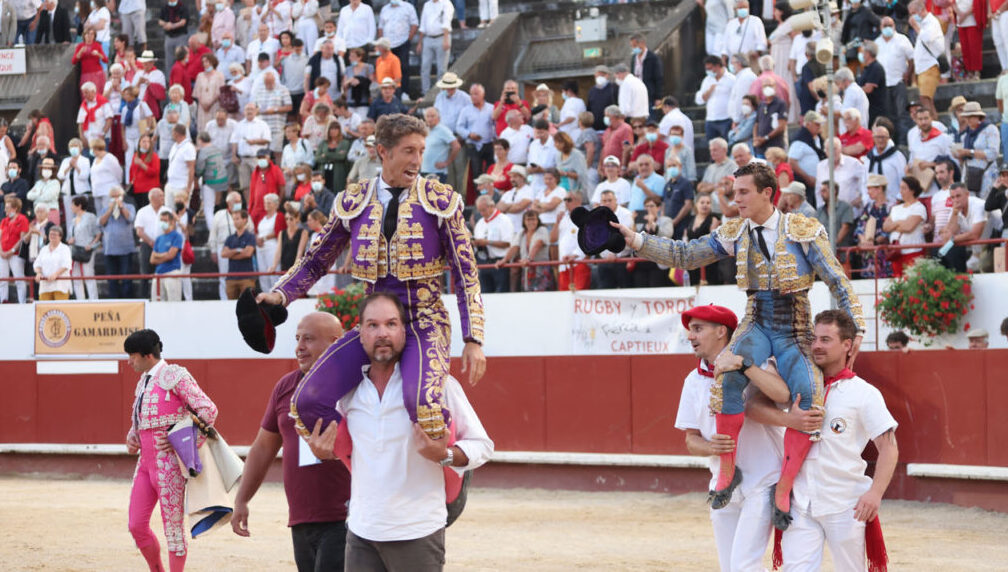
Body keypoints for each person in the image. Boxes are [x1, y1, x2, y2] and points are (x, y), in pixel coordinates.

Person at [612, 161, 866, 530]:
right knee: (728, 376)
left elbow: (837, 280)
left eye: (743, 192)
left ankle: (784, 487)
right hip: (757, 321)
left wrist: (856, 327)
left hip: (795, 326)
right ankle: (727, 472)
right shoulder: (734, 231)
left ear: (768, 193)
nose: (736, 199)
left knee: (810, 398)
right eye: (734, 192)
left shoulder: (803, 230)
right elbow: (684, 255)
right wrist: (634, 239)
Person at [259, 113, 487, 445]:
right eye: (409, 151)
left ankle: (449, 467)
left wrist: (473, 338)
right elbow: (315, 261)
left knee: (424, 406)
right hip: (372, 326)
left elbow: (467, 274)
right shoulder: (354, 201)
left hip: (424, 322)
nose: (417, 160)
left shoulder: (440, 201)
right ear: (383, 151)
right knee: (306, 402)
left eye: (421, 151)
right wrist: (279, 295)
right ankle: (359, 459)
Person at [306, 293, 492, 571]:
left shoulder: (437, 387)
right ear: (360, 335)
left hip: (417, 532)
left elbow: (483, 445)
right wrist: (322, 452)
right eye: (372, 325)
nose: (382, 333)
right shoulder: (348, 393)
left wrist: (445, 455)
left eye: (391, 324)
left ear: (404, 331)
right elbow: (343, 449)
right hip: (361, 531)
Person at [748, 310, 898, 572]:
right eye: (814, 339)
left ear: (847, 345)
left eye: (826, 339)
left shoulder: (863, 393)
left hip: (845, 503)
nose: (816, 345)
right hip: (800, 501)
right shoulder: (795, 385)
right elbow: (752, 408)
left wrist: (875, 493)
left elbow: (889, 447)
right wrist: (789, 420)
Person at [675, 304, 796, 572]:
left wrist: (744, 365)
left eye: (698, 329)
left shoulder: (756, 364)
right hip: (721, 484)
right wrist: (710, 447)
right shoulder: (693, 381)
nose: (691, 336)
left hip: (762, 480)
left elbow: (782, 394)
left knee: (744, 565)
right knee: (730, 567)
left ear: (721, 332)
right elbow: (691, 439)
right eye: (690, 330)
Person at [231, 312, 351, 571]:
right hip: (301, 518)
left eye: (308, 339)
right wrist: (242, 499)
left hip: (347, 517)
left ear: (335, 343)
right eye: (297, 339)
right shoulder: (286, 386)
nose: (299, 347)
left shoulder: (354, 385)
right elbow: (263, 447)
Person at [124, 329, 218, 572]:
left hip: (169, 465)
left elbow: (208, 409)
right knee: (136, 525)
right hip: (145, 465)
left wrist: (184, 437)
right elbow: (143, 423)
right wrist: (133, 435)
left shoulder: (175, 375)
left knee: (173, 531)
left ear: (147, 355)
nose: (129, 361)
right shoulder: (143, 381)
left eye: (132, 355)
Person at [496, 210, 554, 292]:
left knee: (542, 294)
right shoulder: (522, 232)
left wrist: (529, 259)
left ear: (538, 220)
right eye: (528, 219)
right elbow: (514, 247)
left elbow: (538, 244)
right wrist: (504, 260)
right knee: (527, 294)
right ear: (524, 221)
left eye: (533, 219)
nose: (531, 222)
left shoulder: (542, 230)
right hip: (527, 270)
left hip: (540, 269)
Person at [882, 176, 927, 276]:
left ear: (912, 190)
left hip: (913, 251)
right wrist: (901, 223)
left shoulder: (919, 207)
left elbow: (908, 227)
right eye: (900, 188)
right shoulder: (895, 208)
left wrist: (895, 224)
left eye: (904, 188)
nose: (901, 191)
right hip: (896, 253)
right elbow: (885, 227)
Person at [937, 184, 987, 272]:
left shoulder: (978, 205)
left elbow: (975, 235)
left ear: (967, 194)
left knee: (983, 267)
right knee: (953, 269)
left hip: (994, 247)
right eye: (952, 197)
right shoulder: (955, 209)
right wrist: (954, 214)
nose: (956, 200)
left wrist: (952, 239)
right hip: (977, 253)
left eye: (958, 196)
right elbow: (947, 235)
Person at [908, 0, 944, 119]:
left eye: (913, 13)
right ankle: (933, 121)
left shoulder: (931, 21)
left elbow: (927, 38)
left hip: (929, 66)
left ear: (922, 10)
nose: (912, 16)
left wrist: (915, 26)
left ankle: (931, 122)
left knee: (925, 98)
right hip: (922, 67)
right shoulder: (923, 23)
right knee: (927, 99)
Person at [472, 195, 513, 293]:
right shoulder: (480, 223)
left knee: (501, 293)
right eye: (479, 211)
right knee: (485, 294)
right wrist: (475, 243)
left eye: (483, 210)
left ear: (492, 206)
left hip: (500, 262)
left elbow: (508, 243)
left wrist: (488, 242)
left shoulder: (504, 220)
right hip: (483, 261)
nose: (482, 213)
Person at [378, 0, 418, 98]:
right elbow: (381, 27)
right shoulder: (384, 9)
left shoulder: (408, 7)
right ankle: (388, 93)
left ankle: (404, 92)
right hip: (387, 45)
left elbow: (414, 24)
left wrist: (408, 39)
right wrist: (381, 42)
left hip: (402, 42)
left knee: (403, 68)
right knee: (387, 69)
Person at [907, 107, 952, 192]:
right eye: (920, 119)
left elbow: (952, 162)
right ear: (916, 120)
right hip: (919, 188)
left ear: (931, 118)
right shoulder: (913, 139)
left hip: (938, 187)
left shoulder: (943, 138)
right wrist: (909, 167)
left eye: (926, 118)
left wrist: (931, 164)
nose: (923, 122)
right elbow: (912, 159)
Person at [596, 189, 634, 289]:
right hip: (604, 261)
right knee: (604, 292)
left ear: (616, 200)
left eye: (610, 200)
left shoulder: (626, 214)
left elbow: (626, 236)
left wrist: (614, 253)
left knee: (626, 291)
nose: (607, 203)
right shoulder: (596, 217)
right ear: (600, 202)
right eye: (604, 201)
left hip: (622, 260)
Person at [682, 193, 722, 285]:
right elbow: (685, 237)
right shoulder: (690, 219)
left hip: (708, 261)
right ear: (696, 204)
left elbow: (713, 240)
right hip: (693, 260)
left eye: (708, 203)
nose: (705, 205)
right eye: (702, 202)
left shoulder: (713, 219)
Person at [67, 195, 101, 300]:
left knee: (88, 274)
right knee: (76, 276)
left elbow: (98, 233)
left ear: (79, 206)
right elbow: (69, 237)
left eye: (73, 205)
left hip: (87, 249)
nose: (71, 207)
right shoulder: (73, 220)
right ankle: (80, 300)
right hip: (75, 250)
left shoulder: (90, 217)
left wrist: (91, 245)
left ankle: (93, 300)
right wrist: (70, 240)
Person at [696, 56, 736, 143]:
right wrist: (710, 90)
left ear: (717, 66)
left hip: (726, 119)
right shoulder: (707, 80)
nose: (708, 71)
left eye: (710, 68)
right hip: (710, 119)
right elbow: (699, 100)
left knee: (727, 145)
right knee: (712, 146)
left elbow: (736, 99)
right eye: (707, 69)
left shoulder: (732, 79)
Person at [863, 124, 905, 205]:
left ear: (888, 138)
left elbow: (903, 177)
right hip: (873, 204)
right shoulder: (868, 158)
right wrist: (866, 199)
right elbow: (864, 181)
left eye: (883, 137)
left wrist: (899, 198)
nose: (880, 140)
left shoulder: (897, 156)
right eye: (878, 137)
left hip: (893, 201)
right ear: (873, 138)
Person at [222, 208, 257, 299]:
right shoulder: (230, 238)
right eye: (234, 219)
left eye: (237, 219)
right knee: (230, 304)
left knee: (249, 302)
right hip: (231, 278)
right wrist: (237, 250)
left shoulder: (250, 236)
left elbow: (248, 253)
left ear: (245, 220)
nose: (235, 221)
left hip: (246, 277)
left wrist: (231, 254)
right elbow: (223, 254)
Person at [150, 208, 184, 302]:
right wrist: (164, 255)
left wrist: (158, 255)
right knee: (156, 303)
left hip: (172, 273)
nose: (162, 223)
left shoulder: (177, 236)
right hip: (158, 274)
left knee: (174, 303)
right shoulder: (159, 239)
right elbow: (152, 260)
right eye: (161, 220)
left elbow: (171, 256)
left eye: (165, 220)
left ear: (172, 222)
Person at [815, 182, 855, 259]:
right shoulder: (819, 211)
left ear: (834, 191)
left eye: (824, 191)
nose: (821, 194)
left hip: (841, 254)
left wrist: (831, 246)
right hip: (823, 255)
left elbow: (845, 227)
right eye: (821, 191)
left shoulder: (845, 207)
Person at [421, 107, 460, 184]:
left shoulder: (443, 130)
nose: (430, 119)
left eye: (432, 116)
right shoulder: (425, 130)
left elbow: (456, 146)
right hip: (424, 170)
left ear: (438, 118)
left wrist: (447, 162)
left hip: (437, 172)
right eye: (427, 116)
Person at [0, 196, 28, 303]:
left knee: (19, 278)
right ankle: (3, 300)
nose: (5, 210)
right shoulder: (4, 221)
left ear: (15, 208)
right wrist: (1, 251)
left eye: (7, 208)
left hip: (15, 254)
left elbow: (22, 239)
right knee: (2, 279)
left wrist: (11, 251)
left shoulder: (22, 219)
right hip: (2, 254)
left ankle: (22, 302)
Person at [34, 224, 72, 299]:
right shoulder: (44, 249)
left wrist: (55, 274)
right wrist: (39, 273)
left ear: (60, 237)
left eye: (55, 234)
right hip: (45, 286)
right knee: (44, 306)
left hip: (60, 286)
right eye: (50, 234)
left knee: (60, 306)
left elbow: (66, 265)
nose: (52, 236)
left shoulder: (65, 248)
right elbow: (37, 264)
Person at [753, 80, 787, 158]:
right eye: (765, 86)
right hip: (760, 148)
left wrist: (766, 138)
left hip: (775, 148)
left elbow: (781, 126)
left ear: (775, 87)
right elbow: (756, 124)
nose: (767, 88)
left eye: (770, 85)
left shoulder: (780, 104)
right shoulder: (761, 104)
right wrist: (755, 139)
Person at [89, 138, 122, 215]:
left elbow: (118, 172)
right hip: (97, 192)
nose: (91, 150)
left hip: (108, 191)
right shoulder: (95, 160)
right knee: (100, 216)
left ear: (96, 148)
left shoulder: (110, 158)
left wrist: (117, 188)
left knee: (108, 213)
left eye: (92, 148)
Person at [587, 66, 618, 135]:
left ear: (608, 75)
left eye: (602, 75)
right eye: (598, 75)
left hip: (611, 128)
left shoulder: (614, 88)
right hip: (595, 129)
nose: (600, 77)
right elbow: (589, 108)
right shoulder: (592, 91)